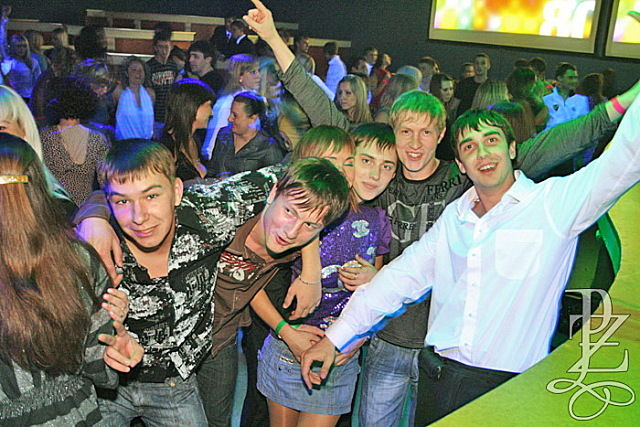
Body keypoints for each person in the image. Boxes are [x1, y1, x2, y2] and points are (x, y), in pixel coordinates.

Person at [301, 93, 640, 423]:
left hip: (506, 388)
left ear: (511, 149)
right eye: (469, 147)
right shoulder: (455, 217)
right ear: (462, 165)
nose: (482, 153)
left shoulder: (553, 205)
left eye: (491, 140)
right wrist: (334, 339)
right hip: (438, 379)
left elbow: (624, 160)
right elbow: (399, 279)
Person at [73, 140, 350, 426]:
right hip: (109, 384)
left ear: (176, 191)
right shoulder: (100, 245)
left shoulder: (211, 216)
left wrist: (311, 270)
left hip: (181, 373)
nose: (139, 217)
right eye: (122, 202)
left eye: (152, 196)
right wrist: (92, 216)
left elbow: (305, 190)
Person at [255, 123, 396, 426]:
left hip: (340, 356)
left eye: (348, 162)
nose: (342, 172)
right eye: (365, 160)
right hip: (289, 348)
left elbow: (376, 296)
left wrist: (358, 338)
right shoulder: (295, 219)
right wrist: (287, 331)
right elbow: (251, 285)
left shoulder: (376, 219)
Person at [0, 133, 141, 425]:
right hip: (79, 416)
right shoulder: (79, 259)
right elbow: (99, 366)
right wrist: (117, 350)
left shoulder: (80, 258)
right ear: (41, 187)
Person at [41, 76, 108, 205]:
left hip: (53, 209)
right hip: (85, 211)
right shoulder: (98, 139)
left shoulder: (45, 137)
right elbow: (105, 182)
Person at [207, 91, 284, 178]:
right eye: (230, 113)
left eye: (235, 115)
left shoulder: (269, 148)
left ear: (253, 118)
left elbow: (274, 181)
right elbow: (212, 169)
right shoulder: (224, 134)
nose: (229, 119)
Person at [202, 54, 261, 159]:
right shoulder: (226, 104)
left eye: (258, 71)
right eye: (253, 72)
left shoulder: (258, 100)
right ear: (240, 76)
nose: (258, 76)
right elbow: (212, 143)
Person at [161, 78, 214, 181]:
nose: (211, 113)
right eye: (208, 105)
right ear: (192, 106)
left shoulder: (195, 141)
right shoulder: (167, 149)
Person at [0, 6, 42, 102]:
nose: (21, 49)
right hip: (13, 97)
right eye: (18, 46)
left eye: (24, 46)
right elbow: (2, 41)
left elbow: (38, 82)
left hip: (29, 97)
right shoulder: (10, 61)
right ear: (14, 47)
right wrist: (4, 18)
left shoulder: (33, 62)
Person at [113, 56, 155, 140]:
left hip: (146, 143)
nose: (138, 73)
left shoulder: (150, 93)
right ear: (126, 73)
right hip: (124, 143)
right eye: (134, 70)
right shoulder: (119, 91)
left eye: (141, 70)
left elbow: (152, 121)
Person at [147, 31, 179, 138]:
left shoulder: (172, 65)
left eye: (167, 47)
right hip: (155, 116)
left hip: (170, 116)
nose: (164, 51)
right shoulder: (149, 67)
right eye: (161, 47)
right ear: (155, 48)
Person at [543, 62, 590, 131]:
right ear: (560, 78)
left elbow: (584, 126)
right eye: (570, 78)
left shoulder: (582, 100)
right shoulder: (546, 99)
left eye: (575, 78)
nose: (574, 81)